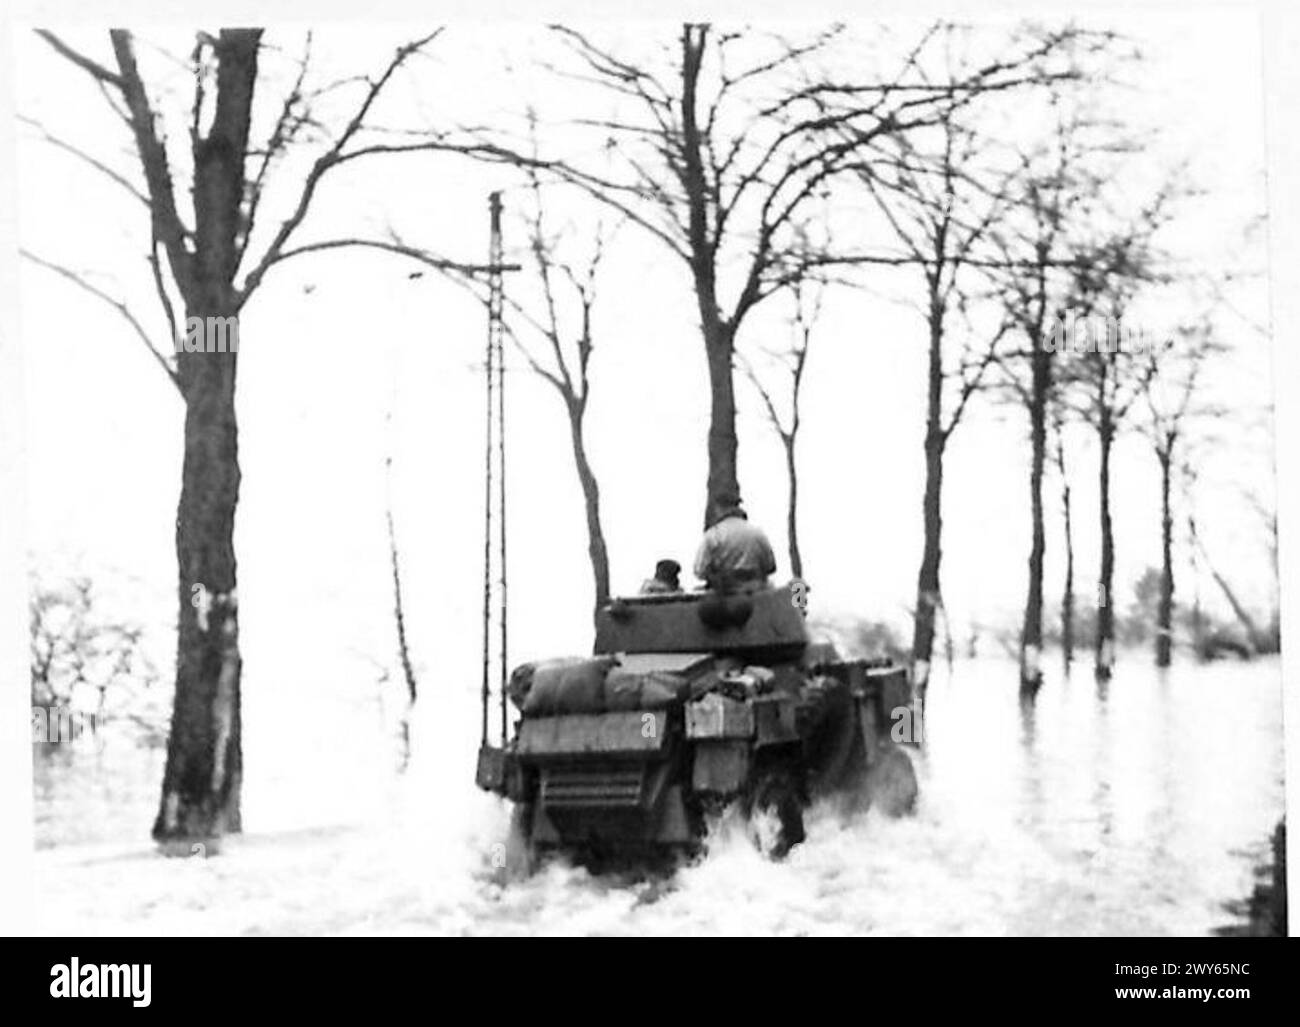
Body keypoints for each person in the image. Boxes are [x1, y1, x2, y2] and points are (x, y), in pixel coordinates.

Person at [693, 504, 776, 593]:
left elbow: (700, 571)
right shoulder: (758, 533)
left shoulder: (714, 534)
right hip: (757, 590)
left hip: (725, 594)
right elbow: (771, 567)